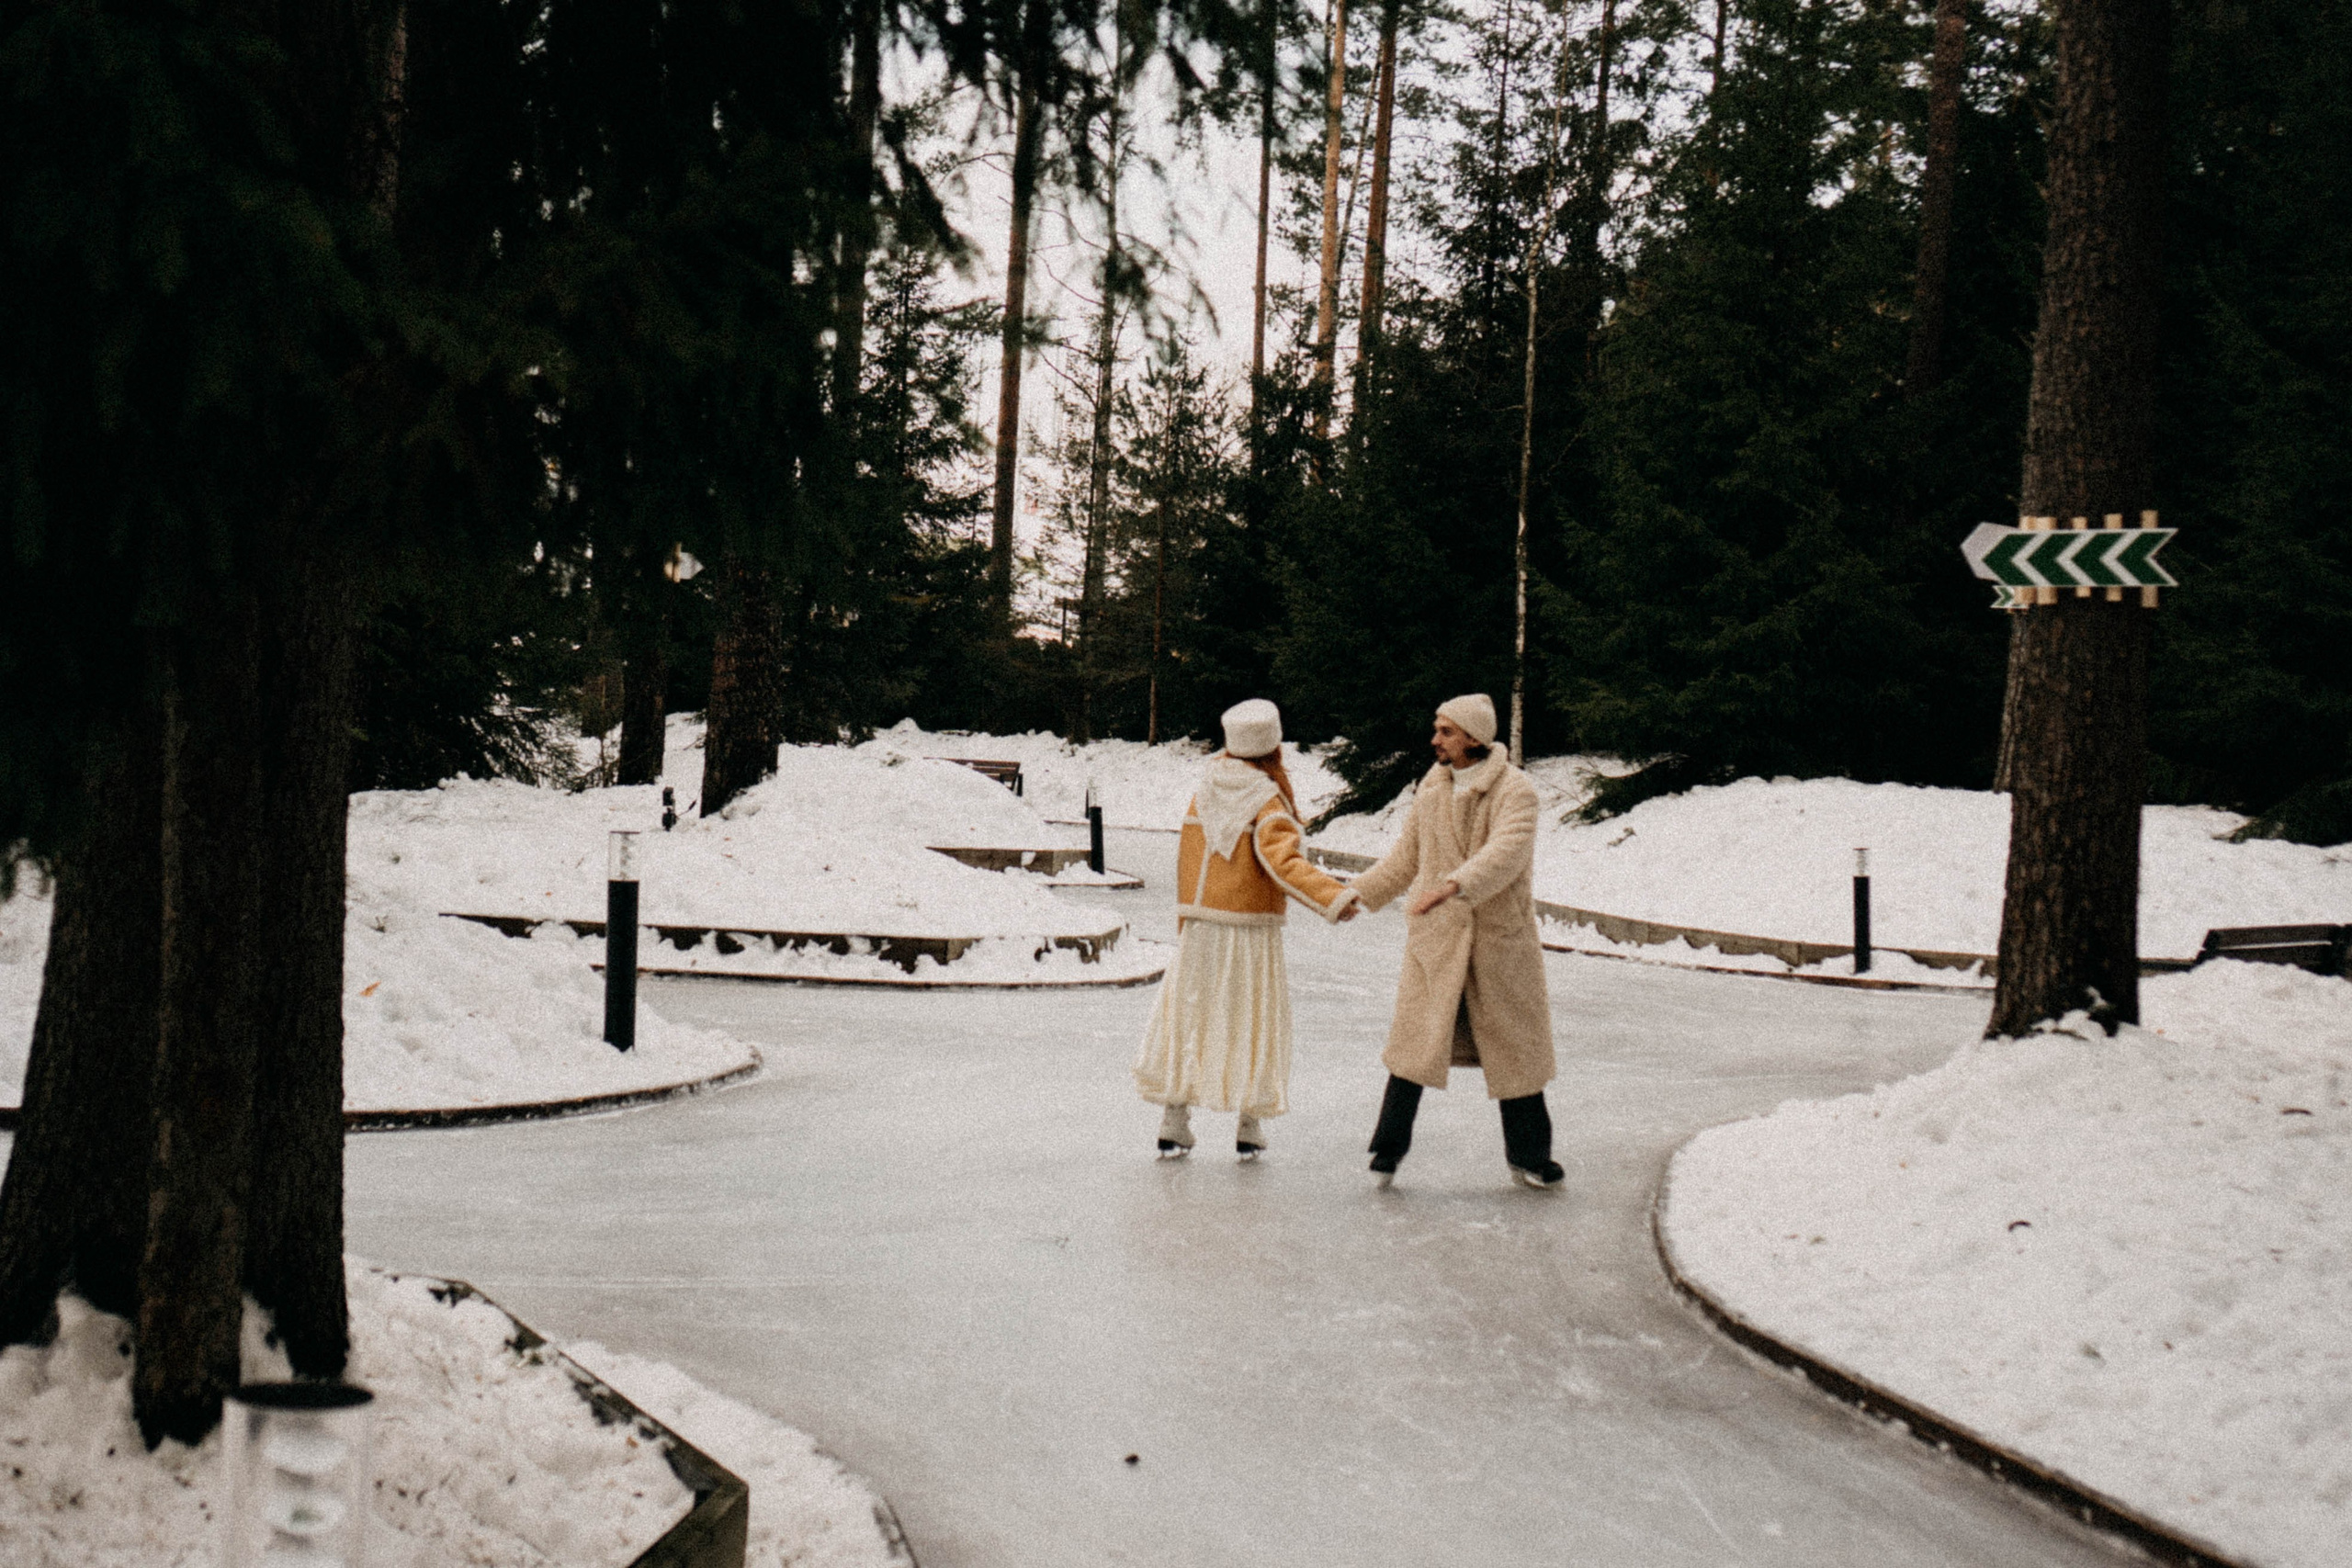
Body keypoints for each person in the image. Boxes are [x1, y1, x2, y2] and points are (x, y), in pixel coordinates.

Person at [1347, 694, 1565, 1189]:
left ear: (1472, 736)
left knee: (1516, 1053)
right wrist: (1356, 895)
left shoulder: (1516, 791)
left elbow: (1506, 853)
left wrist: (1450, 886)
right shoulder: (1431, 788)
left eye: (1445, 731)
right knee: (1413, 1045)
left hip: (1497, 943)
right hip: (1438, 943)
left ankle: (1531, 1157)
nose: (1435, 740)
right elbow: (1405, 859)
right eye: (1436, 729)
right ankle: (1387, 1148)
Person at [1135, 698, 1360, 1159]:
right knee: (1253, 1020)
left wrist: (1187, 919)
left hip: (1201, 927)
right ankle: (1250, 1125)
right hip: (1250, 931)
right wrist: (1333, 897)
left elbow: (1188, 861)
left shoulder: (1206, 787)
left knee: (1189, 1018)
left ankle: (1174, 1120)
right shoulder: (1266, 798)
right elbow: (1284, 864)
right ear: (1273, 746)